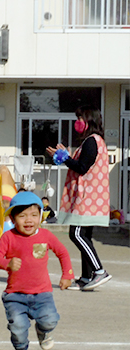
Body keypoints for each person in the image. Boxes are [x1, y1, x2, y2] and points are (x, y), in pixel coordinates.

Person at [0, 192, 74, 350]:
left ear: (40, 217)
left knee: (50, 319)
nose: (28, 220)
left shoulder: (46, 236)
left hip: (42, 293)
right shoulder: (9, 237)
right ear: (13, 219)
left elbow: (62, 253)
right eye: (22, 216)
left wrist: (68, 274)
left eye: (34, 215)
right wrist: (7, 263)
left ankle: (43, 331)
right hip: (15, 295)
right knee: (18, 327)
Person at [46, 106, 110, 292]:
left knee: (76, 234)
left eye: (80, 118)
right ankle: (85, 277)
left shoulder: (92, 141)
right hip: (91, 198)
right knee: (85, 235)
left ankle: (99, 270)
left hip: (87, 198)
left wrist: (63, 157)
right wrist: (63, 156)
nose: (77, 122)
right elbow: (79, 164)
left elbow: (82, 167)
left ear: (89, 120)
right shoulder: (92, 142)